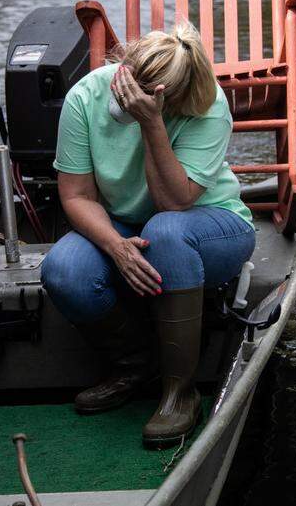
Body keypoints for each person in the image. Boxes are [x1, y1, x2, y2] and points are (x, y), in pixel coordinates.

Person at [40, 22, 255, 448]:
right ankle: (136, 366)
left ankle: (180, 392)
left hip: (209, 222)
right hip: (125, 223)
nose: (128, 95)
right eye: (128, 81)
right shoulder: (86, 96)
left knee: (168, 231)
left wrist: (151, 125)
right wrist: (115, 245)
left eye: (147, 92)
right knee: (65, 271)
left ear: (169, 98)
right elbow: (77, 195)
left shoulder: (206, 105)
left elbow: (174, 202)